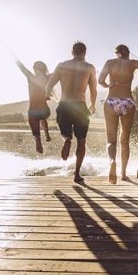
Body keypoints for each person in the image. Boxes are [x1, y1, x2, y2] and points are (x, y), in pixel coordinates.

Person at [98, 39, 138, 183]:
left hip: (111, 101)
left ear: (117, 53)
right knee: (125, 140)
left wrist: (108, 84)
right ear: (127, 53)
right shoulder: (132, 63)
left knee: (111, 140)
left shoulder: (109, 62)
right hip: (127, 102)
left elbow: (100, 80)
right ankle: (124, 174)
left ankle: (112, 161)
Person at [46, 41, 97, 183]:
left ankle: (67, 140)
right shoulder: (89, 67)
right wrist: (92, 105)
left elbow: (49, 85)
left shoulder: (62, 66)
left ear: (72, 52)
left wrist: (48, 95)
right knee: (82, 141)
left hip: (64, 105)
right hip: (80, 106)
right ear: (84, 53)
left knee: (64, 132)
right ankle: (76, 174)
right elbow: (93, 90)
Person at [16, 60, 52, 153]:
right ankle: (47, 135)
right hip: (45, 111)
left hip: (34, 111)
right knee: (42, 118)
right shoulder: (48, 78)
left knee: (34, 117)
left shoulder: (31, 77)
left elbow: (22, 68)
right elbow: (60, 72)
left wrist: (15, 59)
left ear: (36, 69)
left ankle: (38, 140)